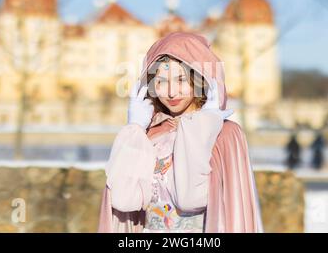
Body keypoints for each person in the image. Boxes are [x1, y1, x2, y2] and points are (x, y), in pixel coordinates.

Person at [98, 32, 263, 233]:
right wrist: (134, 129)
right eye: (161, 81)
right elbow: (124, 200)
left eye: (181, 79)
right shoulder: (150, 136)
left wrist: (202, 124)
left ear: (201, 79)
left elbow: (190, 199)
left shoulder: (225, 135)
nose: (171, 92)